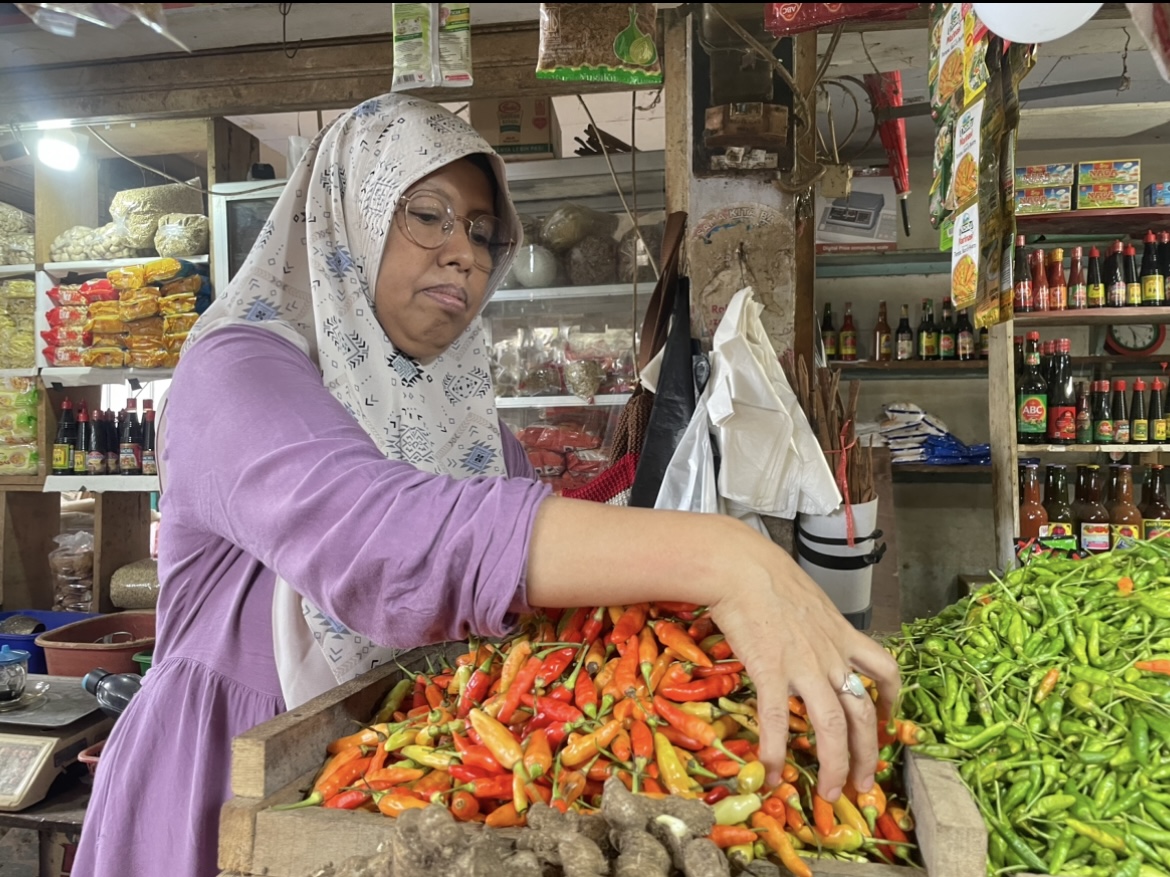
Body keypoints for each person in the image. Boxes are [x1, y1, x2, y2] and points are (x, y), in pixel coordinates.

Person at [75, 94, 899, 877]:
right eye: (427, 214)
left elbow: (515, 573)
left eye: (481, 231)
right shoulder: (239, 369)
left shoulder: (465, 422)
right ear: (346, 214)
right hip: (225, 768)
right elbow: (384, 542)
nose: (463, 251)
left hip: (370, 781)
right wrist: (725, 557)